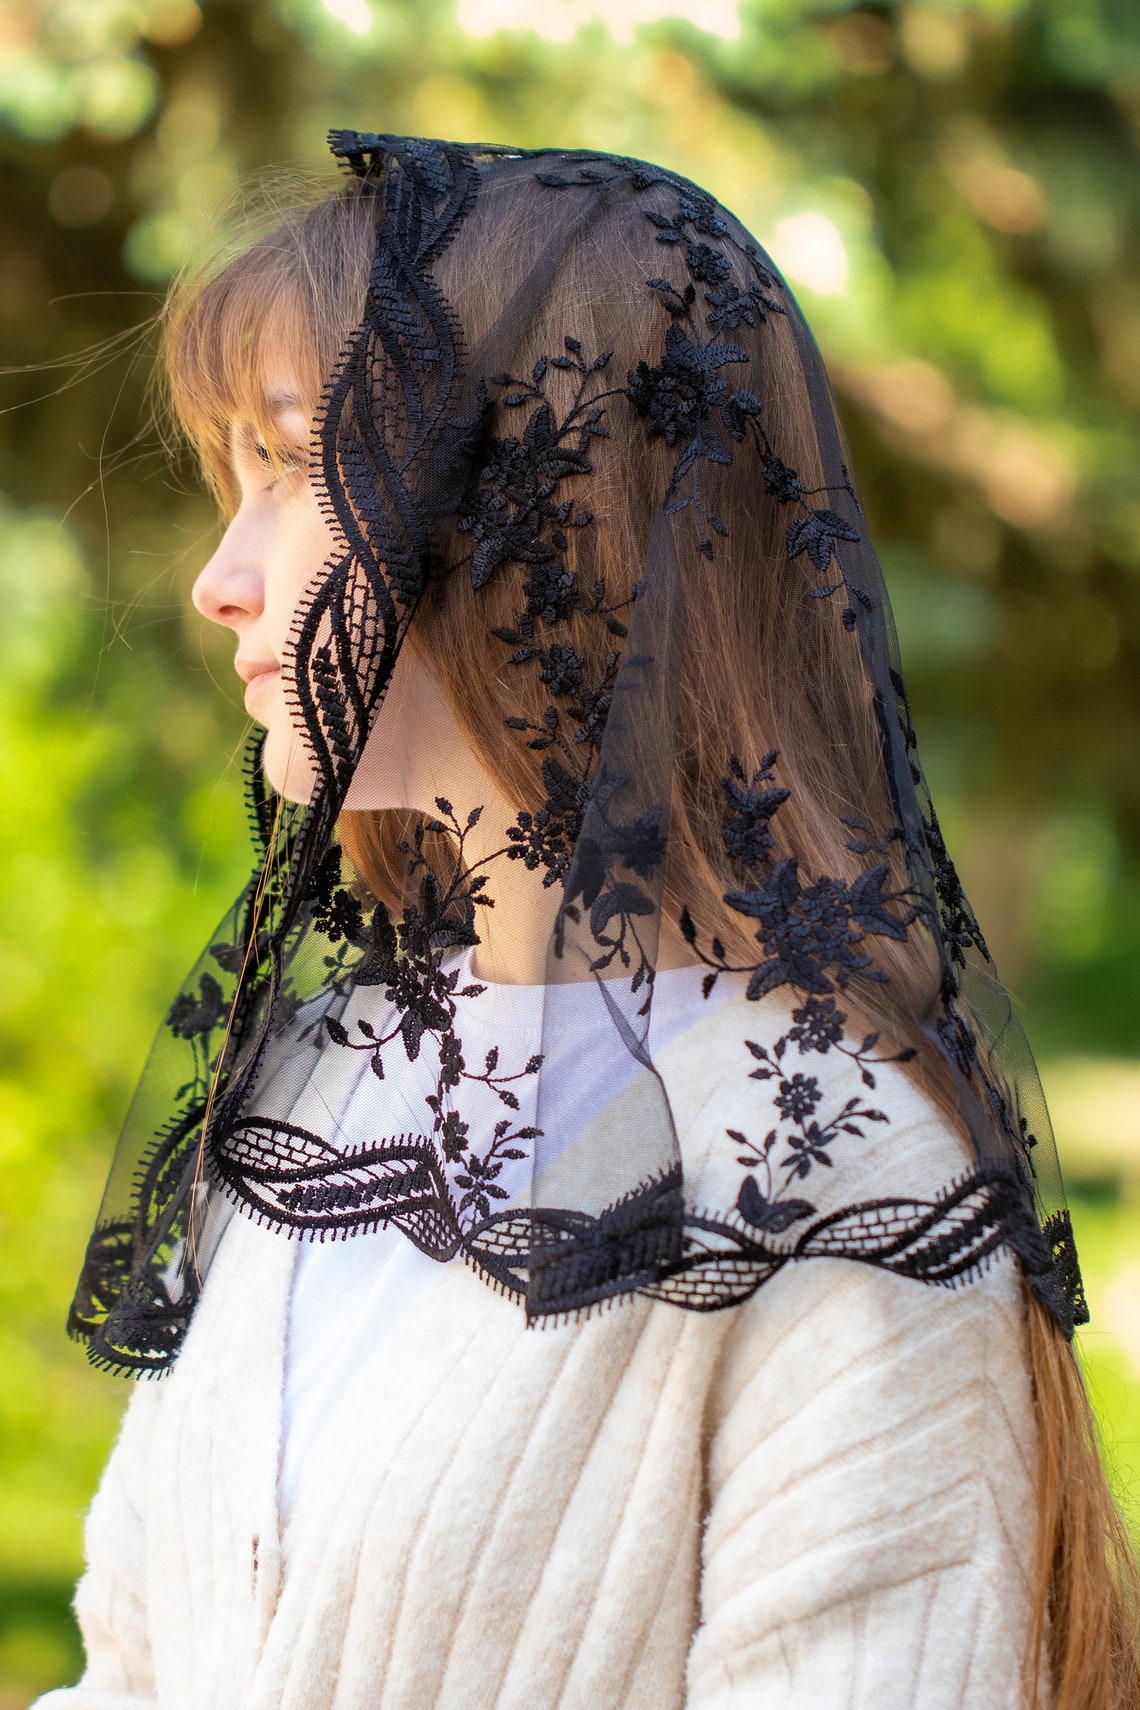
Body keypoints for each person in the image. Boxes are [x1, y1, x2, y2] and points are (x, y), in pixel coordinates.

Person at [37, 134, 1139, 1710]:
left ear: (536, 511)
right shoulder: (322, 1088)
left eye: (291, 467)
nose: (220, 576)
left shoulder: (830, 1170)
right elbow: (140, 1669)